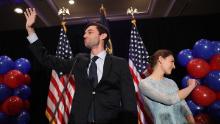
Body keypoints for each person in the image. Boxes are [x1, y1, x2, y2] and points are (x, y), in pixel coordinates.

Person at [24, 8, 138, 124]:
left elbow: (129, 100)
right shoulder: (79, 60)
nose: (84, 35)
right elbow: (46, 59)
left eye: (90, 32)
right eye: (84, 33)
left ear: (102, 35)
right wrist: (30, 30)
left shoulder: (119, 63)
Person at [139, 49, 196, 124]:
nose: (174, 66)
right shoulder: (145, 83)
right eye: (172, 61)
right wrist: (191, 86)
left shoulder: (171, 82)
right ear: (161, 59)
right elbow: (169, 100)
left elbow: (183, 106)